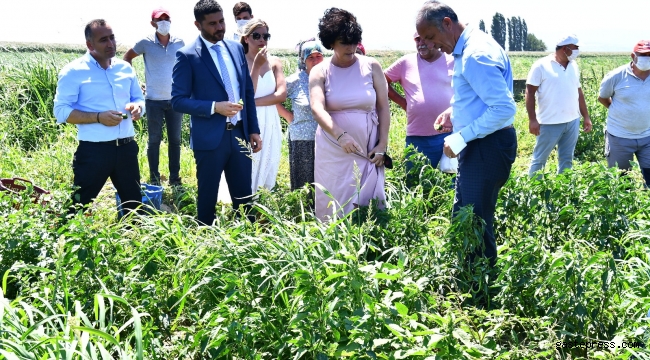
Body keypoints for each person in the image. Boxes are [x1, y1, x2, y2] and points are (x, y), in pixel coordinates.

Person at [416, 1, 517, 266]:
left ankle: (480, 285)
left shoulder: (475, 54)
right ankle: (467, 274)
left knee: (476, 219)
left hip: (487, 145)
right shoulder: (469, 49)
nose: (431, 45)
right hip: (482, 143)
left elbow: (504, 108)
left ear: (447, 24)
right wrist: (454, 111)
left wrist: (462, 136)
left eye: (431, 37)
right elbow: (481, 97)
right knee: (466, 212)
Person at [171, 0, 262, 225]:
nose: (219, 27)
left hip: (240, 134)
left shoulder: (235, 48)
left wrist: (254, 130)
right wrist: (214, 107)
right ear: (197, 24)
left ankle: (247, 245)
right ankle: (206, 245)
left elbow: (247, 91)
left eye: (221, 21)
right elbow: (178, 101)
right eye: (212, 24)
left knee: (244, 198)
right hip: (210, 139)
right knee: (207, 199)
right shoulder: (188, 55)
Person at [53, 19, 145, 215]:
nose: (111, 44)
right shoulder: (73, 72)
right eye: (103, 40)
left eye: (112, 38)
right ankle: (67, 243)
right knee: (77, 209)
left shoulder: (125, 69)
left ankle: (131, 242)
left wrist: (138, 107)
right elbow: (61, 112)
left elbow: (138, 97)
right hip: (95, 151)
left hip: (127, 149)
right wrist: (97, 117)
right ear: (89, 44)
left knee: (135, 209)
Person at [310, 8, 390, 221]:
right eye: (344, 42)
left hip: (368, 148)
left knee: (370, 205)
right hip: (334, 148)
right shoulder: (320, 71)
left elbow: (383, 106)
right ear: (331, 43)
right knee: (334, 199)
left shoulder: (372, 66)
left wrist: (382, 145)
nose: (351, 47)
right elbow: (317, 108)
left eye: (354, 41)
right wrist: (341, 135)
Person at [123, 7, 185, 186]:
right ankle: (154, 178)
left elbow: (187, 65)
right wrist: (136, 82)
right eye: (160, 19)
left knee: (175, 140)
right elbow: (127, 58)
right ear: (153, 23)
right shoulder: (145, 42)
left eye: (166, 18)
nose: (164, 22)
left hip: (175, 100)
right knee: (154, 140)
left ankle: (175, 178)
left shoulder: (179, 43)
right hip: (152, 100)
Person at [384, 31, 454, 169]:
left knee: (449, 182)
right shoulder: (406, 62)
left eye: (426, 38)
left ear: (436, 38)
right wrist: (403, 102)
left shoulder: (452, 60)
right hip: (417, 137)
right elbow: (381, 80)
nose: (421, 43)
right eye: (417, 39)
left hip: (449, 135)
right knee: (416, 182)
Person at [526, 34, 592, 177]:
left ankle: (563, 191)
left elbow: (578, 91)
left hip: (572, 121)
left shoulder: (573, 66)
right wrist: (532, 119)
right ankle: (532, 193)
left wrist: (585, 116)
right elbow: (530, 93)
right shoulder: (541, 66)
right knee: (539, 160)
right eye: (575, 48)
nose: (577, 51)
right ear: (564, 48)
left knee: (567, 159)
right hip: (549, 123)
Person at [240, 19, 286, 192]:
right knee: (250, 161)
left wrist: (251, 103)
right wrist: (257, 67)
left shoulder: (274, 62)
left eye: (266, 36)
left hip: (271, 119)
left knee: (269, 159)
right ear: (246, 38)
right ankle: (246, 202)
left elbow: (281, 94)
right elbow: (246, 93)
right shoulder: (240, 61)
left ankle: (264, 201)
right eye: (256, 35)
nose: (262, 40)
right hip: (252, 120)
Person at [598, 40, 650, 186]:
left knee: (649, 179)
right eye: (644, 54)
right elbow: (603, 97)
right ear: (633, 56)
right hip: (619, 137)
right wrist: (620, 112)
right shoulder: (616, 76)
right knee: (621, 180)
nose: (648, 57)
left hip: (647, 136)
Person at [277, 39, 324, 191]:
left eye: (318, 56)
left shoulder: (328, 77)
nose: (315, 60)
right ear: (303, 60)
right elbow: (273, 99)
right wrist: (288, 116)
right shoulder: (295, 80)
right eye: (310, 57)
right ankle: (303, 213)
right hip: (302, 139)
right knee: (304, 186)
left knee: (324, 183)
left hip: (326, 139)